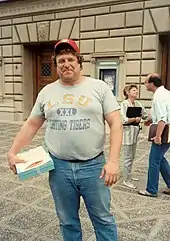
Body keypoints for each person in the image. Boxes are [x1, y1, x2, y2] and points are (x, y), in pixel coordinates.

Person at [7, 39, 123, 241]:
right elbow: (31, 124)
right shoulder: (47, 91)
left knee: (103, 219)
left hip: (94, 167)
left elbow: (115, 124)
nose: (66, 64)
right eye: (61, 60)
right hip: (59, 169)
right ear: (56, 65)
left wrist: (113, 161)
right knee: (67, 221)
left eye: (70, 59)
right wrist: (12, 151)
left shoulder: (99, 87)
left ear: (79, 63)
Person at [138, 73, 170, 197]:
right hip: (168, 130)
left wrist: (158, 136)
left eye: (146, 82)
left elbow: (162, 118)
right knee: (160, 159)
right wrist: (151, 120)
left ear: (152, 83)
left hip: (164, 131)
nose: (145, 84)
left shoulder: (158, 96)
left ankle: (151, 189)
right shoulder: (166, 93)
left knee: (154, 161)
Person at [120, 84, 148, 189]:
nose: (136, 92)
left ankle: (129, 175)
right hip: (127, 132)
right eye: (134, 90)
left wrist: (146, 118)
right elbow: (123, 119)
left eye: (136, 90)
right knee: (127, 157)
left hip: (135, 132)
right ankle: (126, 180)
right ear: (128, 92)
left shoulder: (138, 103)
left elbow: (144, 115)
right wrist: (134, 119)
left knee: (132, 156)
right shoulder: (124, 104)